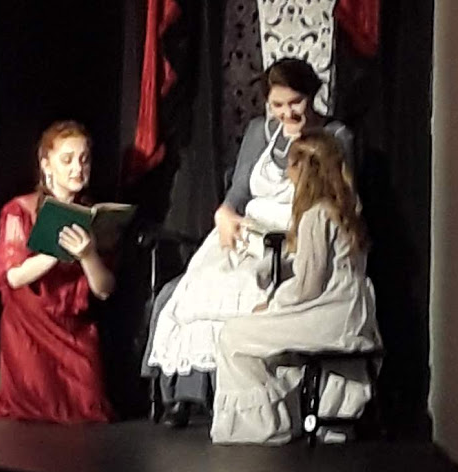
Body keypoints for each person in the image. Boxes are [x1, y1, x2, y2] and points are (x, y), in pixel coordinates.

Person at [142, 58, 354, 427]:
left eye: (296, 102)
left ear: (312, 95)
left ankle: (237, 400)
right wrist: (224, 213)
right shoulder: (260, 132)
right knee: (193, 290)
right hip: (245, 231)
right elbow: (238, 193)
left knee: (244, 288)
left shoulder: (335, 137)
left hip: (294, 240)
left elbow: (339, 200)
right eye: (278, 105)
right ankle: (185, 395)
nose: (288, 113)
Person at [210, 131, 382, 445]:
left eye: (291, 165)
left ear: (305, 169)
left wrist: (274, 302)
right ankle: (282, 413)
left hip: (328, 317)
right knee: (261, 342)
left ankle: (265, 423)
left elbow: (309, 286)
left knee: (233, 335)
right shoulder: (347, 211)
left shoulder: (316, 215)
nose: (287, 173)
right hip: (352, 313)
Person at [0, 120, 116, 423]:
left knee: (90, 405)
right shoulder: (20, 211)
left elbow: (104, 289)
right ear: (46, 164)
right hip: (30, 325)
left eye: (84, 159)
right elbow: (13, 276)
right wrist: (56, 252)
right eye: (67, 160)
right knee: (42, 403)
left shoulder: (94, 216)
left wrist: (87, 255)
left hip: (73, 326)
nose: (77, 168)